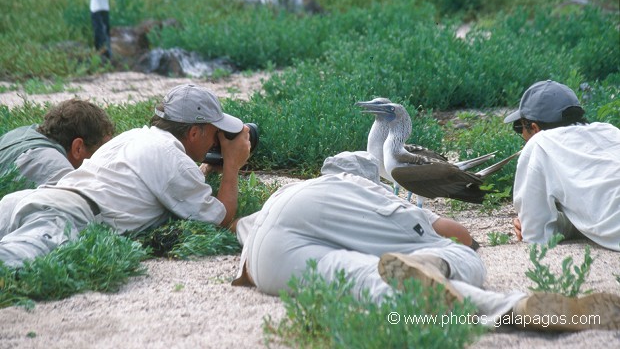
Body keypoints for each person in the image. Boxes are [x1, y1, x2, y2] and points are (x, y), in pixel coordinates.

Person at [233, 151, 619, 331]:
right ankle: (444, 269)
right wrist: (456, 246)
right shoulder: (357, 187)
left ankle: (511, 307)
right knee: (451, 253)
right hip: (310, 219)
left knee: (367, 279)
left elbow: (239, 224)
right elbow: (455, 232)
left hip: (262, 260)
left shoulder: (284, 193)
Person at [0, 84, 251, 267]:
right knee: (9, 266)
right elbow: (220, 218)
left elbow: (167, 181)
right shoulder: (172, 159)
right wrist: (232, 165)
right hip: (66, 217)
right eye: (214, 132)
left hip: (33, 199)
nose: (217, 139)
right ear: (195, 133)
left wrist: (206, 168)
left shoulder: (136, 137)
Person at [504, 80, 620, 251]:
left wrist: (533, 223)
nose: (521, 133)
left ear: (534, 128)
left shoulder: (540, 143)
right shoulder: (609, 131)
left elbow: (537, 234)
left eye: (519, 126)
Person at [0, 99, 115, 186]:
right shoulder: (55, 170)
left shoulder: (20, 133)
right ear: (78, 148)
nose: (107, 158)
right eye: (103, 150)